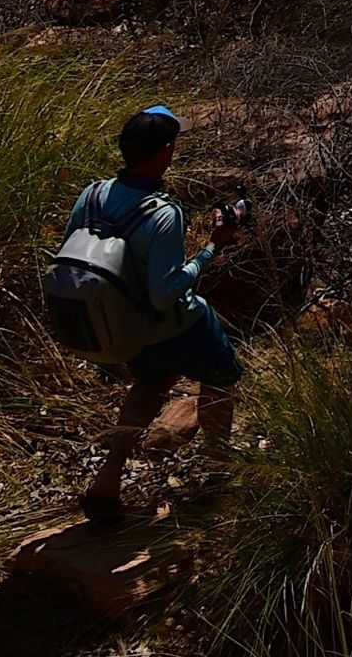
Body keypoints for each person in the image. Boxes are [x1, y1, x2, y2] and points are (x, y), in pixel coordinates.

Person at [64, 105, 247, 524]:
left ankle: (107, 480)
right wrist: (212, 248)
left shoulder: (91, 195)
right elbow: (166, 294)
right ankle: (219, 468)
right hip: (172, 325)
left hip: (121, 327)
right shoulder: (162, 213)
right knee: (221, 375)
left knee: (151, 382)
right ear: (165, 152)